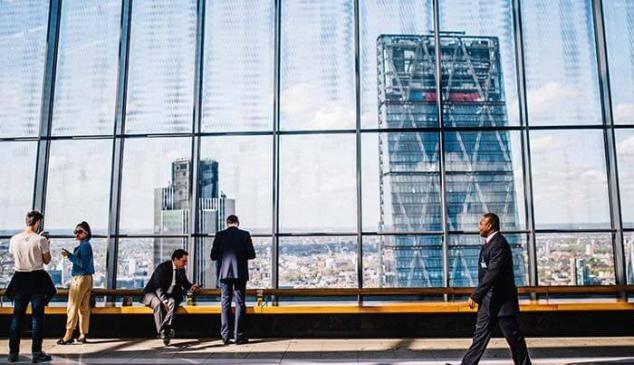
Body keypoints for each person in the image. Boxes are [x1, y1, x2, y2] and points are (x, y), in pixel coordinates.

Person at [448, 213, 532, 365]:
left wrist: (475, 295)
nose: (479, 227)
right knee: (479, 338)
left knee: (514, 339)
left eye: (481, 223)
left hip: (502, 302)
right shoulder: (489, 244)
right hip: (488, 302)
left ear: (490, 225)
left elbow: (492, 273)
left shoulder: (499, 244)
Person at [6, 210, 56, 363]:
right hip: (36, 279)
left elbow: (12, 255)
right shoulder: (40, 239)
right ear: (38, 223)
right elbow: (47, 260)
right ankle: (36, 353)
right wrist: (46, 245)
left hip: (19, 278)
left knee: (17, 317)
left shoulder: (14, 239)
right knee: (37, 318)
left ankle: (13, 353)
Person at [210, 215, 256, 345]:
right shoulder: (245, 235)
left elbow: (213, 256)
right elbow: (252, 254)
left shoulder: (219, 235)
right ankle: (239, 336)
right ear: (238, 223)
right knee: (240, 303)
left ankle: (225, 336)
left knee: (225, 303)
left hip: (224, 274)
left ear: (227, 223)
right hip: (240, 273)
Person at [142, 249, 200, 345]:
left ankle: (163, 330)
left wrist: (191, 286)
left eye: (186, 261)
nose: (185, 264)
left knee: (172, 302)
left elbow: (185, 283)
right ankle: (165, 332)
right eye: (183, 261)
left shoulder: (181, 269)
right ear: (176, 259)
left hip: (167, 295)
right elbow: (158, 287)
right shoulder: (163, 268)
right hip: (152, 293)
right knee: (158, 304)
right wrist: (164, 301)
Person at [57, 222, 95, 345]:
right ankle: (83, 334)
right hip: (87, 279)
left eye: (79, 232)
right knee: (84, 308)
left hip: (80, 279)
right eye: (75, 232)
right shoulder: (86, 245)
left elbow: (82, 264)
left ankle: (68, 335)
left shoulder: (84, 246)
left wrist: (69, 256)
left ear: (86, 233)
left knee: (72, 307)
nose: (76, 234)